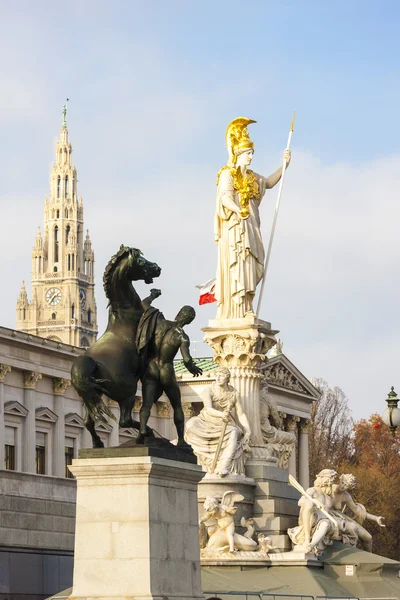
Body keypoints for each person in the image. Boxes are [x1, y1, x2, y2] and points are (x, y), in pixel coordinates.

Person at [214, 117, 291, 319]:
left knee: (252, 265)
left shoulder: (253, 177)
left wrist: (284, 166)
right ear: (238, 154)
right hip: (235, 229)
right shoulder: (227, 174)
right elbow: (225, 197)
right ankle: (237, 310)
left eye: (252, 153)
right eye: (248, 153)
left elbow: (269, 183)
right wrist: (237, 210)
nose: (251, 157)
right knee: (238, 263)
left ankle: (247, 306)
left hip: (251, 226)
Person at [136, 304, 202, 444]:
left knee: (146, 404)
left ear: (179, 313)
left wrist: (152, 297)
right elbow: (187, 359)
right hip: (166, 369)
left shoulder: (160, 323)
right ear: (189, 321)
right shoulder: (183, 336)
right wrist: (192, 368)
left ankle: (142, 429)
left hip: (151, 367)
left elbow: (144, 309)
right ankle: (181, 440)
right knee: (177, 405)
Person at [184, 367, 251, 476]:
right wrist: (221, 414)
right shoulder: (209, 390)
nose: (218, 378)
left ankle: (224, 466)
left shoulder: (234, 393)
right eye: (217, 375)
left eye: (222, 375)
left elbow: (241, 414)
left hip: (224, 423)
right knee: (190, 424)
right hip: (206, 420)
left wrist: (248, 431)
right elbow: (208, 409)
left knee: (234, 432)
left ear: (227, 378)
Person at [330, 473, 385, 552]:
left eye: (346, 486)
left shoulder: (346, 496)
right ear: (340, 480)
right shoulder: (328, 488)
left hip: (340, 516)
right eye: (343, 483)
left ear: (349, 487)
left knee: (368, 537)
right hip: (327, 516)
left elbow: (357, 511)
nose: (343, 486)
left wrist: (376, 518)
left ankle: (369, 560)